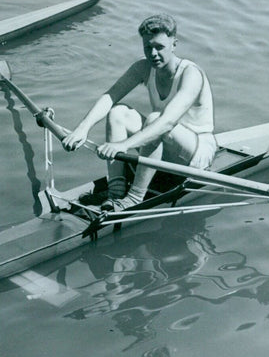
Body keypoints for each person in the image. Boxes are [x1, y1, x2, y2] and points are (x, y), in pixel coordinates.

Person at [61, 14, 216, 212]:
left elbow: (167, 123)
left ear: (174, 44)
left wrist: (124, 145)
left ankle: (134, 197)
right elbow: (110, 96)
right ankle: (115, 192)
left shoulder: (191, 74)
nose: (153, 53)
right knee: (118, 112)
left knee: (155, 119)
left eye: (159, 47)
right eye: (147, 47)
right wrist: (82, 129)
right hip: (165, 141)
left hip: (197, 152)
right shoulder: (143, 68)